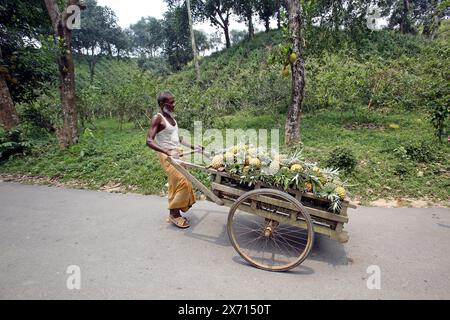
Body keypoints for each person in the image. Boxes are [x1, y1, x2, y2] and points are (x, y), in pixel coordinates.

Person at [146, 91, 202, 229]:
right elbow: (149, 141)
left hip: (178, 154)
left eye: (173, 101)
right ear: (162, 104)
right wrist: (167, 152)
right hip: (168, 157)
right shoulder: (157, 118)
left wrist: (195, 146)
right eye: (170, 102)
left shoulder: (172, 119)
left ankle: (175, 210)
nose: (173, 105)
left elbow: (178, 138)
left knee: (176, 183)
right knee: (183, 182)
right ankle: (174, 214)